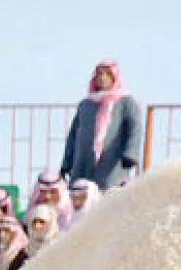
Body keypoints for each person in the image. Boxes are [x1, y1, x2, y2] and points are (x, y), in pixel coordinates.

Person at [60, 60, 143, 189]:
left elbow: (135, 129)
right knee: (81, 194)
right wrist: (66, 163)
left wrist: (131, 155)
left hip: (111, 162)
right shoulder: (86, 104)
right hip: (83, 161)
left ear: (114, 77)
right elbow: (73, 135)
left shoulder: (126, 102)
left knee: (109, 195)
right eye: (99, 75)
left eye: (107, 75)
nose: (102, 78)